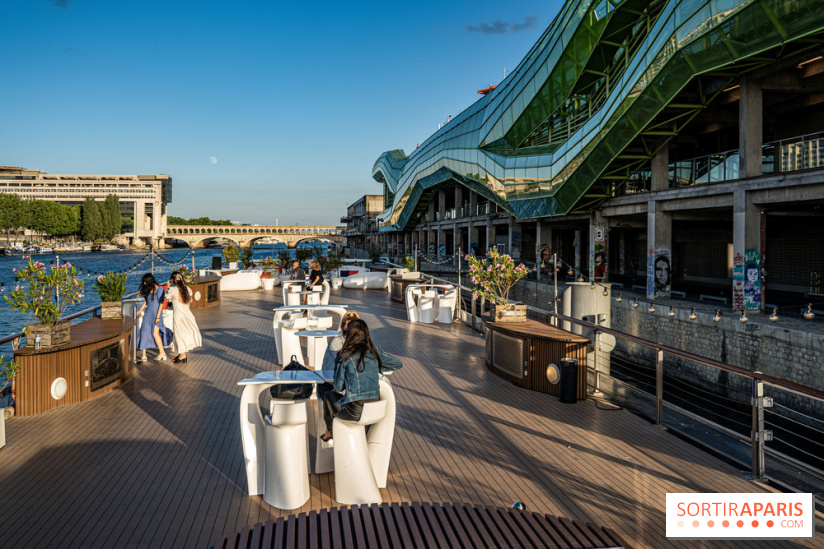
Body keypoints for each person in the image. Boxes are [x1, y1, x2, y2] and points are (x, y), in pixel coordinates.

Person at [320, 319, 402, 442]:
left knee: (328, 395)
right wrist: (378, 366)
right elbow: (397, 363)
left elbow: (338, 387)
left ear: (349, 335)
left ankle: (330, 433)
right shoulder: (374, 353)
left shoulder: (344, 356)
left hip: (355, 411)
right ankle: (331, 433)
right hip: (376, 408)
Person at [166, 271, 202, 364]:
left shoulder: (173, 290)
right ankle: (182, 354)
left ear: (172, 280)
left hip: (178, 315)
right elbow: (190, 300)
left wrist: (168, 287)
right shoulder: (187, 288)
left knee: (179, 334)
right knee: (185, 333)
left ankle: (182, 355)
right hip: (188, 314)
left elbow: (166, 298)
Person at [135, 273, 172, 362]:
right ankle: (144, 355)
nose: (144, 283)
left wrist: (158, 317)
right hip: (148, 313)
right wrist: (140, 311)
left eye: (145, 281)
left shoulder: (159, 290)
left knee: (155, 334)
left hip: (157, 314)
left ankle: (162, 353)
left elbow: (161, 304)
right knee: (144, 332)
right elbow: (146, 301)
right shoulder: (148, 289)